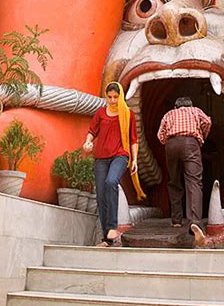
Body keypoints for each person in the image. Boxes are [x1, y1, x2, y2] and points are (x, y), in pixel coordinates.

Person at [83, 81, 145, 246]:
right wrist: (87, 142)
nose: (112, 100)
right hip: (100, 158)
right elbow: (92, 132)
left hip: (120, 155)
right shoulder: (100, 113)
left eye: (115, 97)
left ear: (121, 96)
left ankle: (112, 227)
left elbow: (133, 139)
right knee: (101, 195)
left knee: (111, 182)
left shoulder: (128, 114)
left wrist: (135, 160)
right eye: (109, 97)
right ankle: (107, 239)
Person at [157, 96, 211, 247]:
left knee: (174, 181)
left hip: (171, 144)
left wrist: (170, 142)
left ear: (175, 106)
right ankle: (195, 223)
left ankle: (176, 220)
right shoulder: (196, 111)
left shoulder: (169, 114)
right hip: (190, 143)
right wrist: (201, 136)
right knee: (194, 182)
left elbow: (160, 135)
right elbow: (207, 122)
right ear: (191, 104)